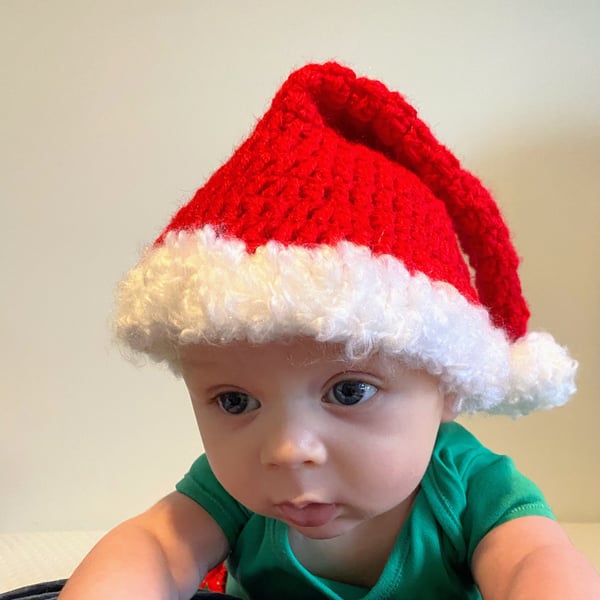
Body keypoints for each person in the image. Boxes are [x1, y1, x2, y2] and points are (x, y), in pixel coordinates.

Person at [58, 62, 599, 599]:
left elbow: (535, 559)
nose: (288, 450)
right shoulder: (229, 495)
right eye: (234, 402)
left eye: (349, 390)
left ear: (449, 386)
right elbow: (156, 545)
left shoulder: (469, 487)